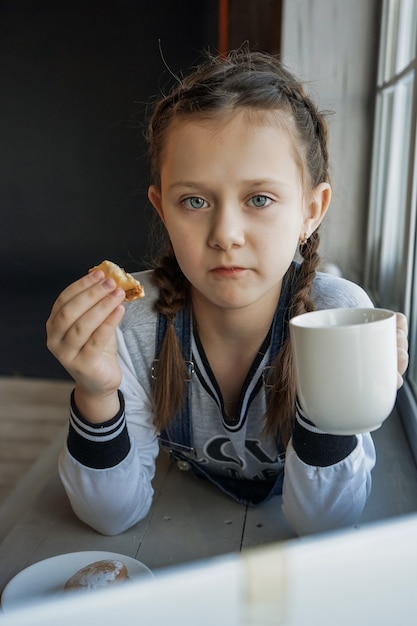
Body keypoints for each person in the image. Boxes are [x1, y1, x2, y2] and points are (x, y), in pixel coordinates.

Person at [46, 48, 409, 537]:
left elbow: (326, 521)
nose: (226, 234)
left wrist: (341, 398)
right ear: (162, 208)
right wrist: (95, 390)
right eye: (194, 201)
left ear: (311, 209)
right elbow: (111, 515)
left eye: (260, 199)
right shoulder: (134, 322)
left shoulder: (337, 320)